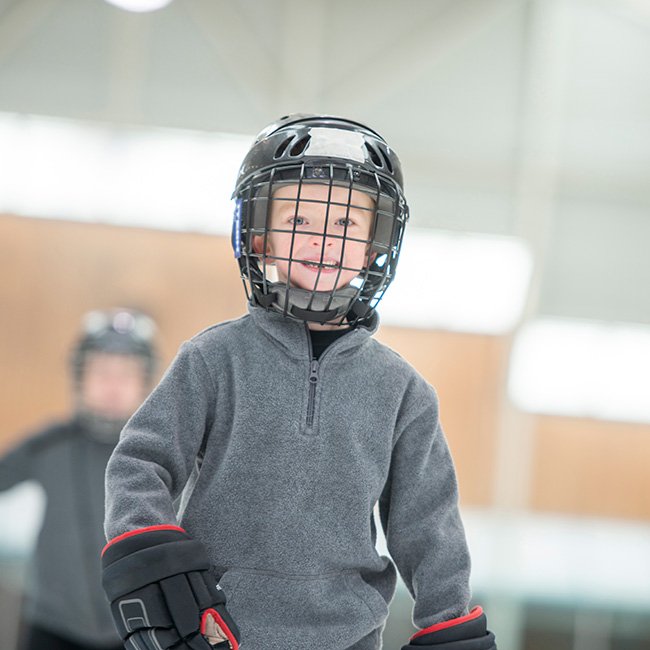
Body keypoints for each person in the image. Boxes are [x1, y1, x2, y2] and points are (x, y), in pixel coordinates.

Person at [100, 115, 497, 650]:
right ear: (258, 236)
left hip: (348, 636)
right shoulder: (213, 358)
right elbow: (140, 462)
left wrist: (449, 621)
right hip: (216, 630)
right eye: (300, 221)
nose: (322, 242)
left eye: (345, 227)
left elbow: (428, 523)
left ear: (375, 247)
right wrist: (148, 550)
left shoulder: (404, 392)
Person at [0, 308, 158, 650]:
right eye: (101, 372)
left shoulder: (160, 453)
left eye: (126, 375)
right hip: (52, 627)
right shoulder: (49, 446)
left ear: (145, 383)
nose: (112, 386)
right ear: (80, 376)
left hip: (135, 630)